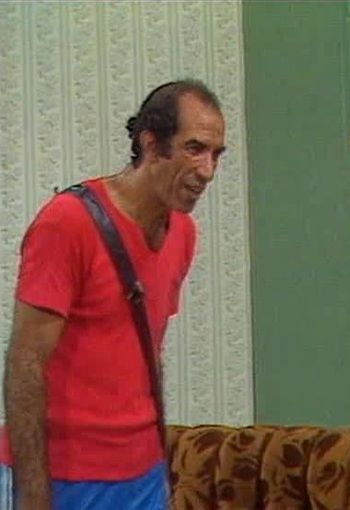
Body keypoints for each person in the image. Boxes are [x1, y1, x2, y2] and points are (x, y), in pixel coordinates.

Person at [1, 79, 226, 510]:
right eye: (194, 149)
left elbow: (146, 352)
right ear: (151, 144)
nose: (207, 171)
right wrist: (34, 495)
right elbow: (25, 365)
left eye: (216, 154)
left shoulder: (183, 233)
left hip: (142, 473)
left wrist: (160, 465)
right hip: (67, 475)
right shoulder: (68, 223)